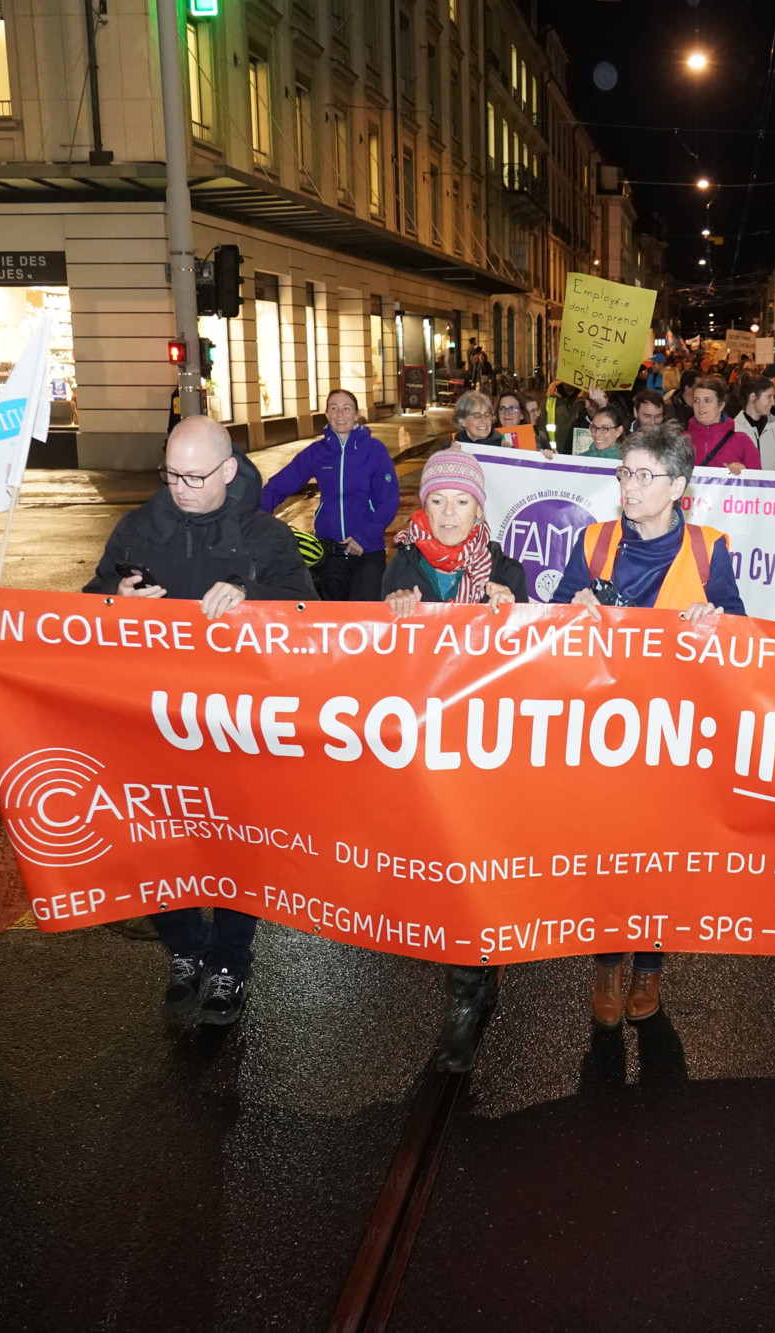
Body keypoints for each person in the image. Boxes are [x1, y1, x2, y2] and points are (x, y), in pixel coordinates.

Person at [91, 417, 318, 1025]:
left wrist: (252, 598)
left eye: (195, 476)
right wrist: (116, 604)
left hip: (235, 726)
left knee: (237, 847)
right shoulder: (138, 527)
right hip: (157, 722)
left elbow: (313, 615)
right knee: (162, 844)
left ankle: (229, 966)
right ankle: (186, 949)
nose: (182, 487)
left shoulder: (266, 536)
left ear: (226, 471)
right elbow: (88, 608)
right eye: (171, 475)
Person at [552, 426, 746, 1026]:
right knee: (609, 851)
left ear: (678, 486)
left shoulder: (711, 548)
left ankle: (649, 967)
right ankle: (607, 964)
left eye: (643, 476)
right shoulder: (592, 541)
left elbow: (739, 628)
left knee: (663, 855)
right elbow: (552, 619)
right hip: (606, 730)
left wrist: (715, 620)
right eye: (623, 475)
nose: (629, 487)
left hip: (676, 735)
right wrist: (572, 608)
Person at [382, 449, 526, 1072]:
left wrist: (513, 617)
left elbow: (534, 669)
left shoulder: (509, 572)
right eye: (437, 500)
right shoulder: (397, 568)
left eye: (460, 501)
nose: (447, 514)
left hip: (484, 754)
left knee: (473, 868)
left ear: (478, 507)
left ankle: (468, 997)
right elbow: (360, 661)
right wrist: (389, 618)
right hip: (419, 753)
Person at [259, 390, 401, 600]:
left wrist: (363, 537)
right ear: (326, 415)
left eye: (346, 408)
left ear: (356, 415)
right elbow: (279, 485)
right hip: (328, 551)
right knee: (331, 618)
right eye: (334, 408)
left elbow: (389, 501)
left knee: (364, 617)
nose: (340, 413)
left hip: (367, 551)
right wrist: (255, 516)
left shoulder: (374, 450)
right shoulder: (317, 451)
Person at [683, 378, 762, 473]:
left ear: (721, 405)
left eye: (707, 400)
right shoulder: (682, 441)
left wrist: (743, 472)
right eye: (696, 401)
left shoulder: (741, 440)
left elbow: (756, 481)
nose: (700, 406)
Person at [732, 375, 775, 473]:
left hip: (774, 487)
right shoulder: (733, 428)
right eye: (769, 397)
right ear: (753, 397)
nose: (773, 402)